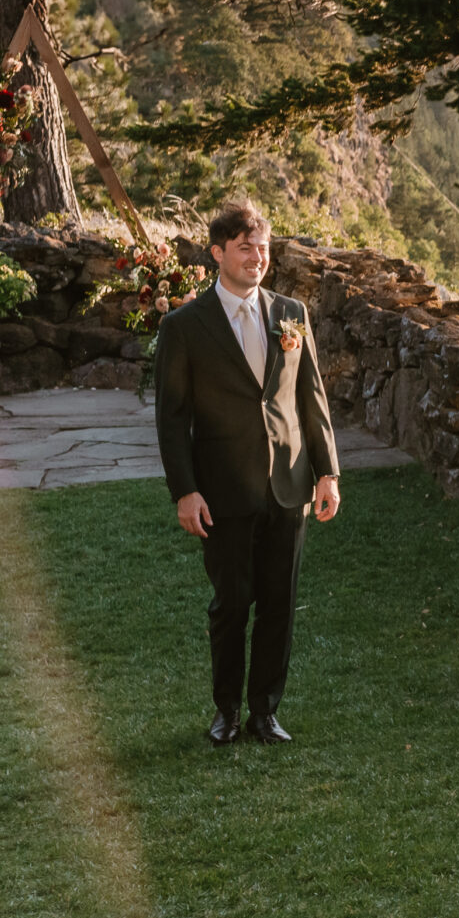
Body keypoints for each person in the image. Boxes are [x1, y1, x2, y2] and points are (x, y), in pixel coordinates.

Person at [153, 200, 342, 747]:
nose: (258, 258)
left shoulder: (291, 314)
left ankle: (265, 711)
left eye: (263, 248)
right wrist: (185, 491)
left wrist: (327, 473)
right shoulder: (184, 327)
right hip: (224, 490)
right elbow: (172, 418)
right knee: (232, 604)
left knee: (280, 603)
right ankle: (227, 711)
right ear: (218, 253)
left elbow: (313, 399)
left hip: (289, 486)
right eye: (245, 248)